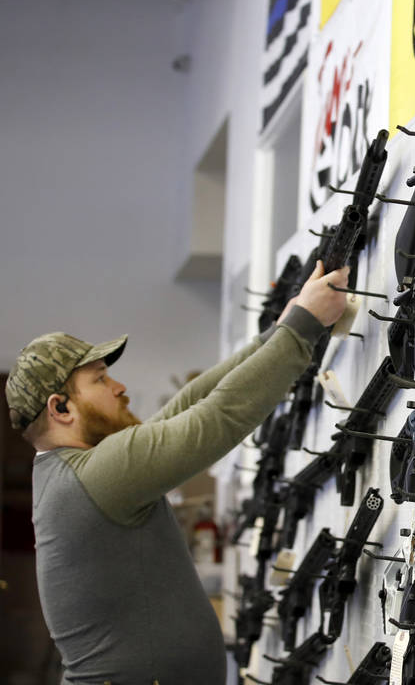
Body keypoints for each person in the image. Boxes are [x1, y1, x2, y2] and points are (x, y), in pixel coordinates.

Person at [7, 261, 350, 684]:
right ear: (60, 408)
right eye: (100, 380)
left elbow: (185, 407)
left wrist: (277, 333)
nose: (118, 388)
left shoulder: (75, 473)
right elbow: (216, 418)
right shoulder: (92, 476)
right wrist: (302, 328)